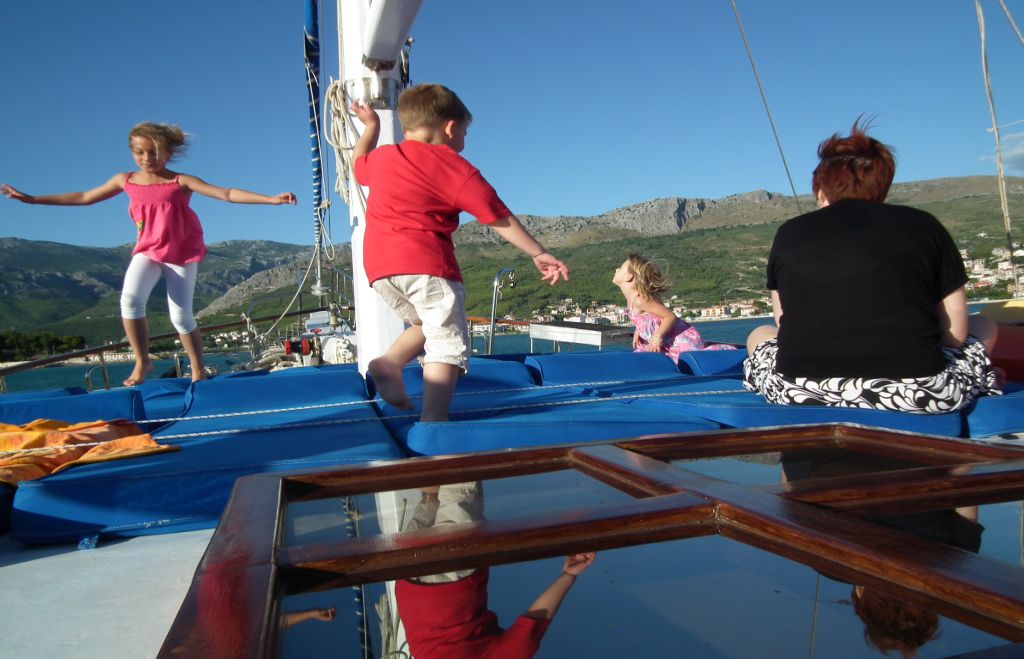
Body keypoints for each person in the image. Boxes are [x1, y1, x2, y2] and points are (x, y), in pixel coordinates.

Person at [1, 122, 296, 386]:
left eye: (153, 153)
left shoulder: (179, 182)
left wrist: (270, 200)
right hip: (148, 251)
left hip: (180, 254)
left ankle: (197, 368)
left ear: (168, 153)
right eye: (140, 153)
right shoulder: (125, 180)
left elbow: (227, 193)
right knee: (129, 301)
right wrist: (32, 200)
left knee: (180, 317)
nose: (146, 159)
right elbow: (84, 197)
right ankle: (143, 361)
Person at [743, 119, 1000, 413]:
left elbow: (782, 322)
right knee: (986, 324)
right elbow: (954, 333)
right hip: (920, 394)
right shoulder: (923, 225)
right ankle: (982, 379)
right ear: (882, 184)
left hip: (799, 391)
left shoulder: (789, 232)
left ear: (822, 186)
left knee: (759, 334)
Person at [350, 83, 569, 421]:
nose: (464, 141)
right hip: (426, 263)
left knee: (427, 323)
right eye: (465, 133)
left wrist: (371, 128)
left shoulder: (383, 158)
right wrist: (537, 252)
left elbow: (357, 163)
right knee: (447, 343)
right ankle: (434, 420)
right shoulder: (451, 165)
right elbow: (496, 216)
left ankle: (390, 362)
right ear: (451, 127)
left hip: (379, 268)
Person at [612, 254, 733, 360]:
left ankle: (725, 352)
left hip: (679, 342)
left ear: (629, 277)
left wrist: (656, 338)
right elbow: (647, 317)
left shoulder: (640, 299)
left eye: (621, 268)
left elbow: (670, 316)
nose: (616, 269)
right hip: (666, 343)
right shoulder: (633, 300)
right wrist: (638, 331)